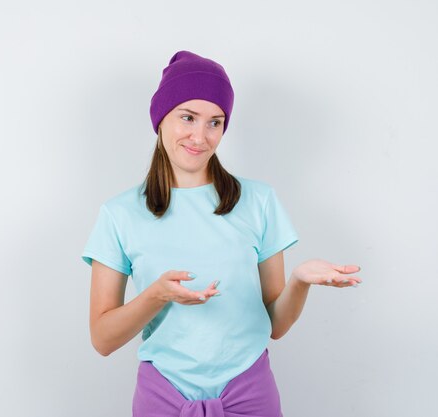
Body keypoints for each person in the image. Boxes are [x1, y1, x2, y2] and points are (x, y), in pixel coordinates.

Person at [81, 50, 362, 417]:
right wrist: (156, 296)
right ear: (161, 119)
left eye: (215, 122)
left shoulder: (259, 202)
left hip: (251, 395)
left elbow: (274, 325)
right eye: (188, 117)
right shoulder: (119, 214)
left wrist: (299, 281)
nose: (201, 136)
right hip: (163, 399)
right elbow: (102, 339)